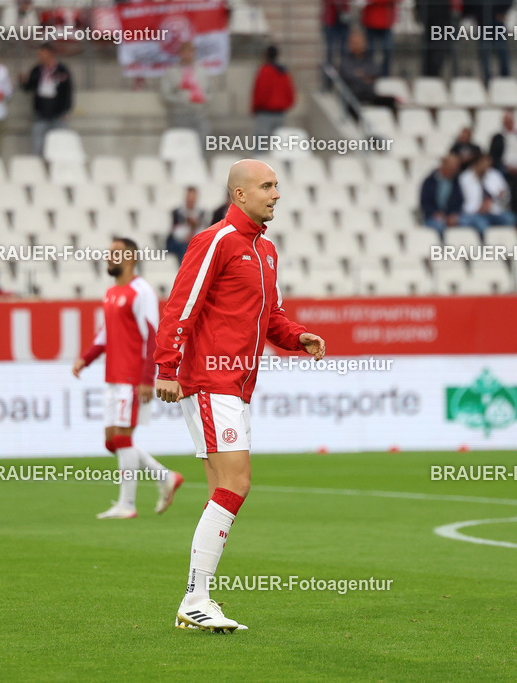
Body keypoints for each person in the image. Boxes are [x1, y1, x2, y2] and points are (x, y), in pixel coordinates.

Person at [154, 159, 326, 632]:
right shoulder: (216, 241)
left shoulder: (266, 250)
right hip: (211, 380)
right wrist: (166, 366)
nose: (276, 194)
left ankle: (198, 599)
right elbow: (181, 304)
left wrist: (297, 337)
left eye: (277, 186)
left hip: (238, 385)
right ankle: (195, 597)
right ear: (240, 195)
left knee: (222, 489)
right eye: (267, 186)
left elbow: (271, 317)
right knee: (237, 482)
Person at [72, 237, 184, 519]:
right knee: (112, 441)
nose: (110, 258)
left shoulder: (141, 291)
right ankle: (164, 476)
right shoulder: (111, 293)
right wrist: (85, 358)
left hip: (133, 377)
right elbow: (105, 334)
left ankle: (128, 504)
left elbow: (152, 335)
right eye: (109, 253)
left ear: (132, 258)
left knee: (122, 438)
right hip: (113, 376)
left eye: (117, 253)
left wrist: (148, 377)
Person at [20, 42, 73, 156]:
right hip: (41, 113)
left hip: (58, 113)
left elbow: (68, 91)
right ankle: (37, 170)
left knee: (60, 145)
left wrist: (66, 109)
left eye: (42, 53)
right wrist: (23, 82)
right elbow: (29, 87)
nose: (39, 56)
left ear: (50, 54)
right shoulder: (37, 70)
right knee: (37, 145)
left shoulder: (61, 70)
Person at [338, 30, 399, 123]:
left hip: (369, 94)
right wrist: (366, 77)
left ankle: (392, 125)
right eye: (355, 43)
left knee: (390, 100)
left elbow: (376, 71)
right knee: (352, 106)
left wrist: (360, 75)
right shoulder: (345, 61)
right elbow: (348, 75)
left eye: (360, 42)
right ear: (350, 44)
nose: (358, 45)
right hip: (354, 95)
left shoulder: (369, 59)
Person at [160, 42, 209, 141]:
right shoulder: (171, 72)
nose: (188, 55)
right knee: (181, 142)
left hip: (199, 113)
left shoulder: (201, 71)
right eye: (185, 52)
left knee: (203, 139)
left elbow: (209, 90)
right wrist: (182, 100)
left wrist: (205, 99)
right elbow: (165, 94)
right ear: (180, 54)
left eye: (190, 52)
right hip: (180, 114)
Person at [457, 154, 514, 234]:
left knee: (510, 219)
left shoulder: (495, 175)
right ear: (476, 164)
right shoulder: (464, 178)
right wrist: (479, 209)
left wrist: (501, 196)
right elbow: (463, 200)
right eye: (484, 163)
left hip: (494, 212)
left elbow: (506, 196)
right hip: (474, 213)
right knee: (482, 224)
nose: (487, 166)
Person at [251, 46, 296, 141]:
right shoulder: (283, 72)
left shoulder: (265, 71)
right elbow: (290, 93)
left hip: (265, 112)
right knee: (279, 145)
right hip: (280, 113)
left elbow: (260, 92)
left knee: (261, 145)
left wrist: (255, 108)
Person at [464, 0, 513, 84]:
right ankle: (488, 79)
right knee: (485, 51)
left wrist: (502, 11)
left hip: (496, 21)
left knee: (501, 50)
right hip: (482, 22)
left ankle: (504, 78)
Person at [420, 155, 464, 234]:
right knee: (439, 227)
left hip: (450, 217)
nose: (454, 171)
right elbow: (425, 202)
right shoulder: (430, 182)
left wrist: (453, 215)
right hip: (432, 217)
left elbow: (459, 201)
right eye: (451, 168)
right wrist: (435, 213)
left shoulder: (455, 182)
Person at [415, 0, 457, 77]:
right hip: (434, 17)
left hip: (438, 17)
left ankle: (431, 74)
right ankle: (431, 75)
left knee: (436, 50)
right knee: (433, 51)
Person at [167, 186, 206, 264]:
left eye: (193, 198)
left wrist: (193, 228)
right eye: (189, 198)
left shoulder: (201, 213)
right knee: (185, 247)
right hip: (177, 243)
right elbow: (176, 234)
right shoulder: (177, 212)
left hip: (194, 242)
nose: (191, 201)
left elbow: (203, 231)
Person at [489, 109, 517, 176]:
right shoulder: (497, 138)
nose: (508, 124)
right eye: (506, 122)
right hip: (504, 168)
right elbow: (493, 155)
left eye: (510, 121)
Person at [362, 0, 397, 77]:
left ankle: (385, 75)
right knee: (370, 51)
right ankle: (370, 74)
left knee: (387, 50)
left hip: (386, 21)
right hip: (372, 20)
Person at [322, 0, 352, 68]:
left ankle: (344, 69)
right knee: (330, 48)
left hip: (344, 18)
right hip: (330, 18)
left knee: (344, 48)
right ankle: (329, 69)